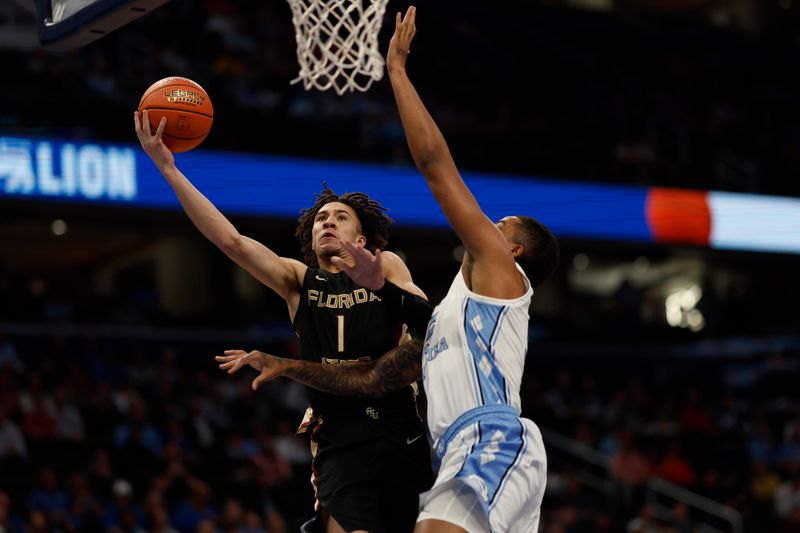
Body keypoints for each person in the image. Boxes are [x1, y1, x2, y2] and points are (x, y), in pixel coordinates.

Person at [216, 6, 560, 533]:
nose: (490, 224)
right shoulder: (459, 307)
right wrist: (379, 286)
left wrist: (396, 71)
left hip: (490, 441)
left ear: (512, 252)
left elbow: (435, 166)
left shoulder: (500, 274)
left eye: (502, 225)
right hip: (458, 453)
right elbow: (415, 326)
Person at [133, 112, 435, 533]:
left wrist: (381, 285)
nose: (327, 221)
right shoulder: (297, 280)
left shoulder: (386, 265)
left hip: (400, 430)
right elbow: (230, 240)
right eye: (320, 219)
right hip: (340, 439)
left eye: (339, 217)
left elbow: (428, 323)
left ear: (362, 240)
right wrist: (168, 168)